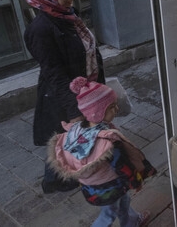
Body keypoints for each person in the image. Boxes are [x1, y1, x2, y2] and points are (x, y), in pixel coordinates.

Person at [23, 0, 105, 193]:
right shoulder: (41, 29)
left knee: (69, 138)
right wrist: (74, 111)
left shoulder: (67, 15)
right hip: (63, 97)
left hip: (82, 90)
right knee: (63, 140)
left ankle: (70, 174)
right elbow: (54, 74)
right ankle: (53, 181)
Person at [48, 77, 154, 227]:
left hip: (93, 187)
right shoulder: (107, 140)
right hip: (108, 186)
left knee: (123, 202)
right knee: (108, 214)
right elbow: (121, 165)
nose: (116, 109)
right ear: (96, 113)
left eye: (115, 105)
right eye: (111, 107)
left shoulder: (77, 129)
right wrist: (136, 181)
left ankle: (131, 221)